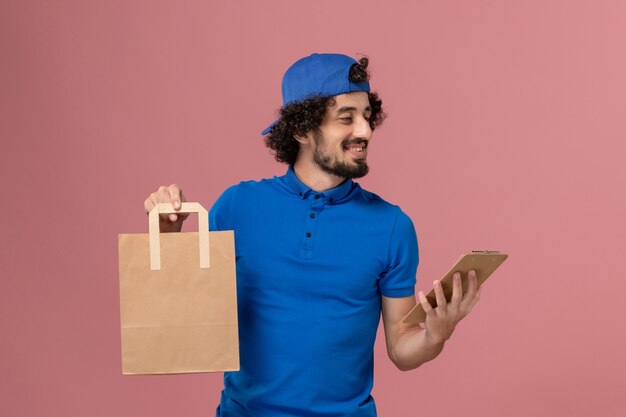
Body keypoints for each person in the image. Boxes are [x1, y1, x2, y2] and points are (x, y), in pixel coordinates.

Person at [143, 53, 481, 417]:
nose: (365, 131)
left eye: (367, 117)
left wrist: (434, 334)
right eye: (346, 118)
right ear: (302, 129)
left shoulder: (392, 226)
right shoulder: (236, 207)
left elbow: (401, 348)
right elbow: (187, 322)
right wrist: (168, 239)